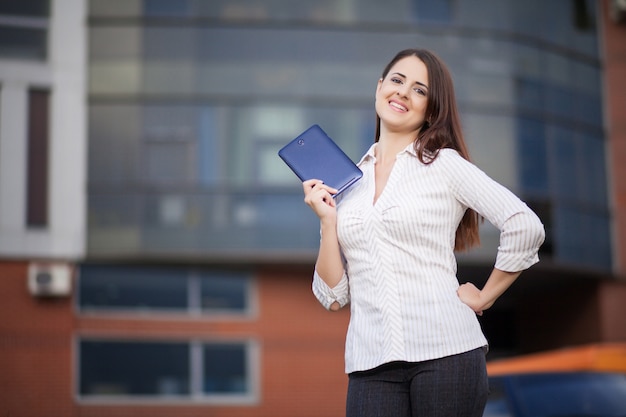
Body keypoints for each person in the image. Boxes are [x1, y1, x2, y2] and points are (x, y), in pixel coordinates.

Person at [302, 48, 545, 417]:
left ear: (431, 110)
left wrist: (485, 297)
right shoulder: (348, 182)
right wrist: (327, 221)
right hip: (371, 364)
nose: (402, 92)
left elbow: (524, 225)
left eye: (419, 90)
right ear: (380, 87)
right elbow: (333, 296)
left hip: (447, 353)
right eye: (397, 81)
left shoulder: (444, 164)